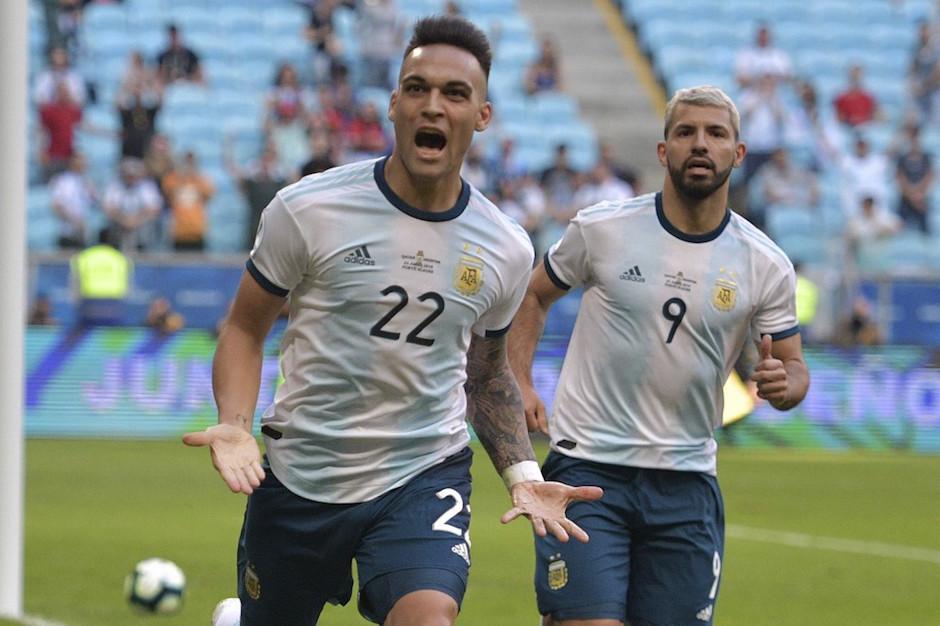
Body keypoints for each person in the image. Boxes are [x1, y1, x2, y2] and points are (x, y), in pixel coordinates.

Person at [182, 16, 602, 626]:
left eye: (455, 93)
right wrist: (234, 424)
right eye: (417, 88)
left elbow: (486, 376)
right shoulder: (308, 209)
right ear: (393, 104)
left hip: (423, 474)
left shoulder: (506, 247)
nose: (433, 106)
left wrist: (522, 473)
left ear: (482, 115)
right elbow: (245, 328)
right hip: (304, 476)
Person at [508, 85, 810, 626]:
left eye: (716, 134)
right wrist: (521, 382)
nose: (701, 144)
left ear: (738, 153)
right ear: (663, 150)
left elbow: (793, 367)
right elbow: (533, 295)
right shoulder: (602, 228)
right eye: (686, 132)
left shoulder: (765, 263)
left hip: (686, 479)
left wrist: (785, 383)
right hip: (588, 464)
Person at [70, 227, 133, 327]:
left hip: (89, 304)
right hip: (113, 305)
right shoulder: (121, 258)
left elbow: (76, 285)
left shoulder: (84, 256)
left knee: (86, 332)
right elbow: (127, 288)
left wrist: (77, 305)